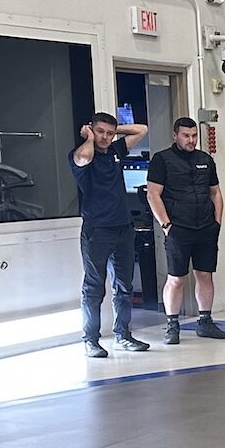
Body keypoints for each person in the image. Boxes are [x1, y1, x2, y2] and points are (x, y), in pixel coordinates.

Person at [70, 112, 150, 358]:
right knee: (94, 288)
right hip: (97, 230)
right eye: (100, 131)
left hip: (124, 228)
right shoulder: (81, 153)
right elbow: (83, 158)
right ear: (91, 130)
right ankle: (91, 340)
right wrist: (91, 138)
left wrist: (115, 130)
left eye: (109, 133)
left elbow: (142, 130)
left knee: (124, 286)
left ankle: (123, 335)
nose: (105, 137)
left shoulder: (116, 151)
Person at [144, 117, 225, 345]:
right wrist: (166, 225)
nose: (191, 140)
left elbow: (215, 192)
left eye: (194, 136)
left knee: (205, 274)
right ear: (175, 136)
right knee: (176, 278)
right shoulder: (162, 160)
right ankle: (172, 325)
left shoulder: (205, 159)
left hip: (205, 227)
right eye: (186, 136)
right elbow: (153, 194)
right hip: (178, 228)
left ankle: (205, 322)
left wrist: (217, 222)